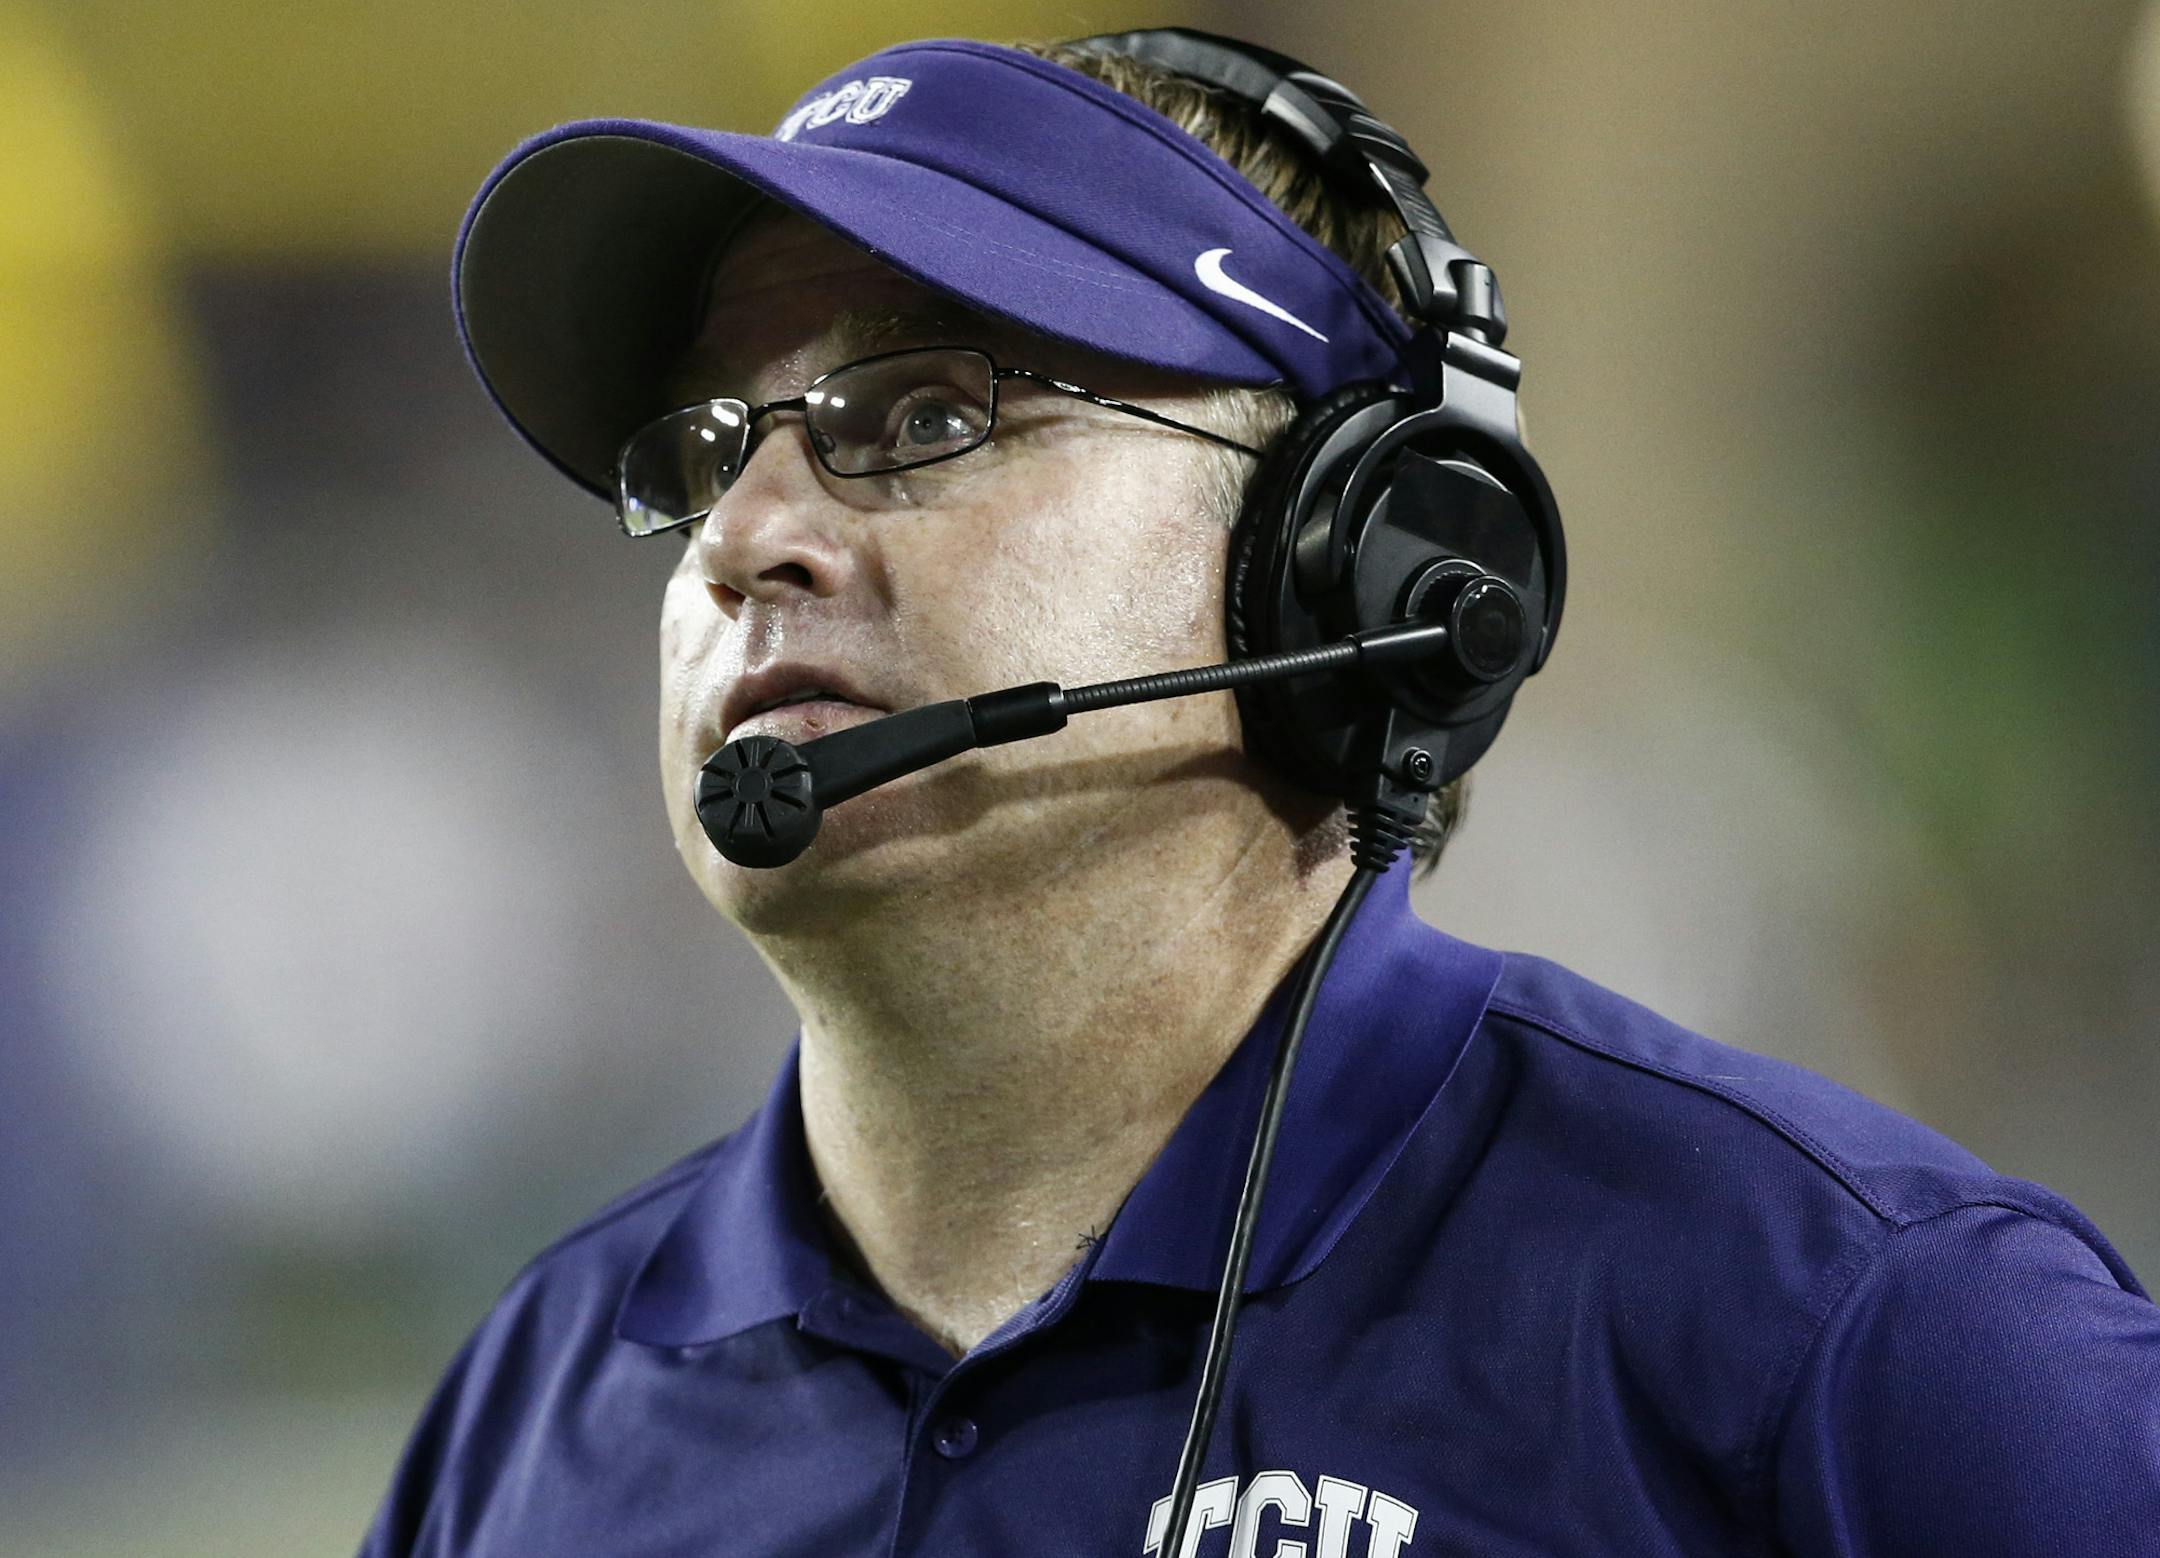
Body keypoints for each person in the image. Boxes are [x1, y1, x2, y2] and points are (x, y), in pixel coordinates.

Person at [363, 29, 2160, 1558]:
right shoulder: (531, 1417)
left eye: (922, 419)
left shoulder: (1867, 1333)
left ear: (1359, 564)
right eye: (697, 457)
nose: (746, 538)